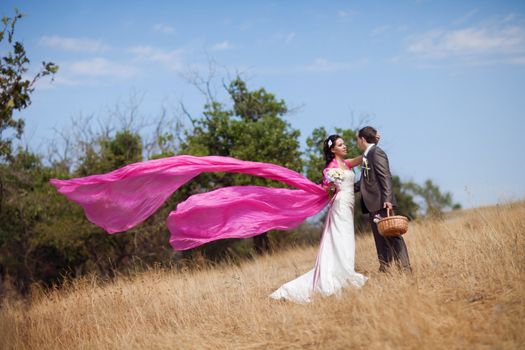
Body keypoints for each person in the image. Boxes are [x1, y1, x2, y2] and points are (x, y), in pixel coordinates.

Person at [270, 135, 367, 303]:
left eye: (344, 144)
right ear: (332, 150)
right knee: (341, 240)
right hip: (339, 206)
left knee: (347, 240)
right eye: (340, 144)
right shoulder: (330, 169)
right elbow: (325, 188)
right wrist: (322, 188)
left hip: (349, 206)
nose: (345, 146)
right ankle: (340, 276)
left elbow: (362, 158)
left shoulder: (346, 163)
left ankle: (345, 272)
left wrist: (371, 148)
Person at [355, 126, 411, 272]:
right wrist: (344, 188)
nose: (357, 142)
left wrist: (387, 199)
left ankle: (405, 268)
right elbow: (364, 182)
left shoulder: (376, 153)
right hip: (372, 204)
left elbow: (385, 176)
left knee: (392, 235)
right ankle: (385, 268)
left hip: (381, 202)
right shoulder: (368, 155)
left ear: (362, 139)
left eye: (357, 139)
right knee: (380, 238)